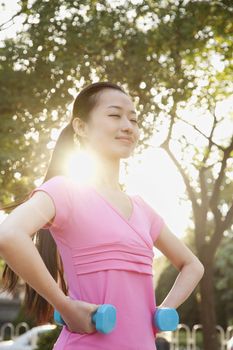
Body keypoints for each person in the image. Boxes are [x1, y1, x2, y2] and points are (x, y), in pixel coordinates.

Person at [0, 81, 204, 349]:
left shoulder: (143, 209)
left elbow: (193, 265)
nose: (128, 125)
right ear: (81, 127)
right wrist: (65, 306)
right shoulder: (65, 191)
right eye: (114, 115)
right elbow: (9, 234)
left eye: (133, 119)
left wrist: (164, 309)